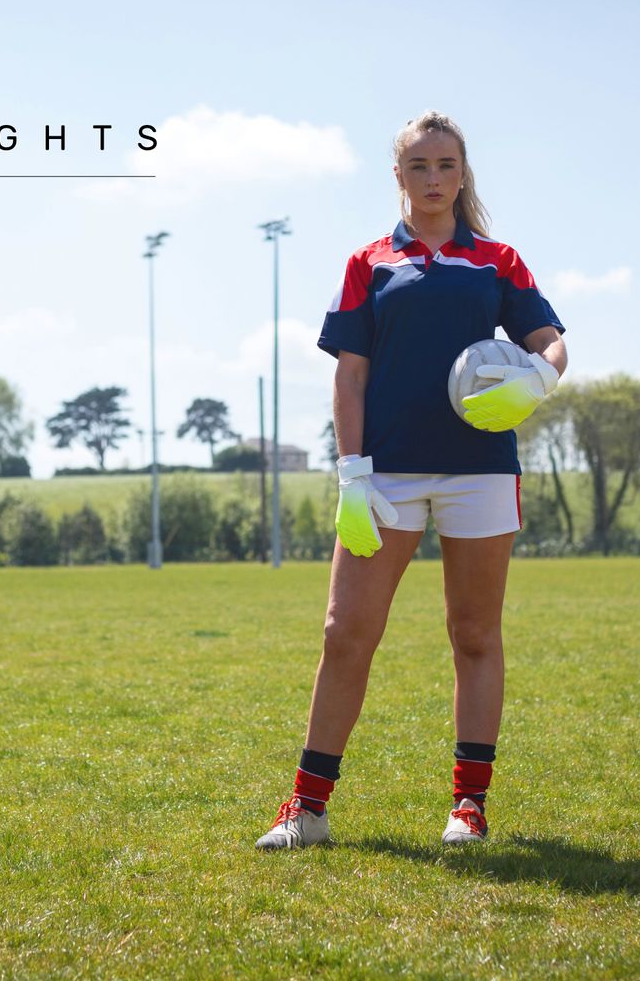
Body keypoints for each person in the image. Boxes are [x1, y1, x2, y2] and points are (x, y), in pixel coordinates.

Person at [256, 110, 568, 850]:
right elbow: (351, 376)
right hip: (385, 477)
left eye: (447, 165)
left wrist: (540, 380)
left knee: (474, 635)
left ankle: (469, 806)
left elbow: (551, 342)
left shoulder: (499, 261)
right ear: (399, 176)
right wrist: (351, 474)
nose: (434, 179)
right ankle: (306, 810)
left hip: (481, 475)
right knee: (345, 634)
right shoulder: (369, 263)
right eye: (419, 166)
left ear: (463, 174)